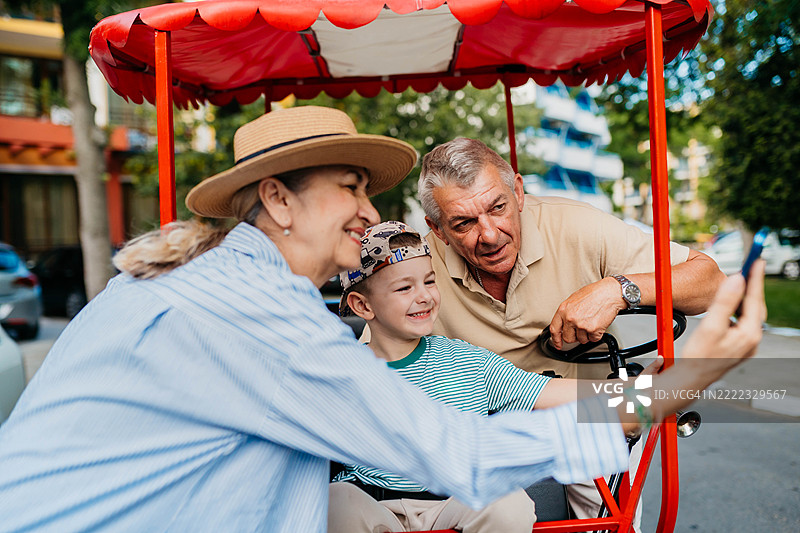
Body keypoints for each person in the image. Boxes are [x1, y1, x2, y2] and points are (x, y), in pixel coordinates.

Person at [0, 106, 763, 533]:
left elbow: (521, 417)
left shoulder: (206, 281)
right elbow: (457, 451)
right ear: (277, 200)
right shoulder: (259, 318)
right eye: (349, 186)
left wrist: (662, 379)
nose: (370, 213)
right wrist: (687, 378)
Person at [413, 137, 728, 523]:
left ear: (519, 192)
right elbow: (374, 365)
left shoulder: (578, 226)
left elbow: (710, 281)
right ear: (437, 228)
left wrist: (618, 289)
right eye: (464, 223)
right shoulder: (417, 265)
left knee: (609, 520)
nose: (491, 235)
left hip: (585, 412)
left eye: (498, 208)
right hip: (477, 436)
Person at [328, 220, 665, 533]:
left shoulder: (465, 361)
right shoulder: (342, 371)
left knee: (507, 498)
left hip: (453, 499)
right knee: (336, 500)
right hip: (372, 502)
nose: (425, 296)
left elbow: (547, 391)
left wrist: (638, 392)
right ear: (362, 306)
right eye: (404, 288)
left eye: (430, 280)